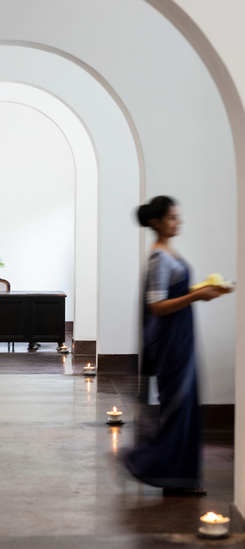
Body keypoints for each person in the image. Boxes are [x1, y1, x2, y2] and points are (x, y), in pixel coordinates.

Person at [123, 196, 225, 496]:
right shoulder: (159, 258)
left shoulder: (169, 253)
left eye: (177, 217)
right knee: (177, 408)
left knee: (187, 407)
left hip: (181, 339)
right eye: (172, 218)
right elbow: (156, 306)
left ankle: (180, 476)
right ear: (156, 222)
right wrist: (196, 296)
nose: (177, 222)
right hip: (170, 346)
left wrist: (199, 291)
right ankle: (163, 471)